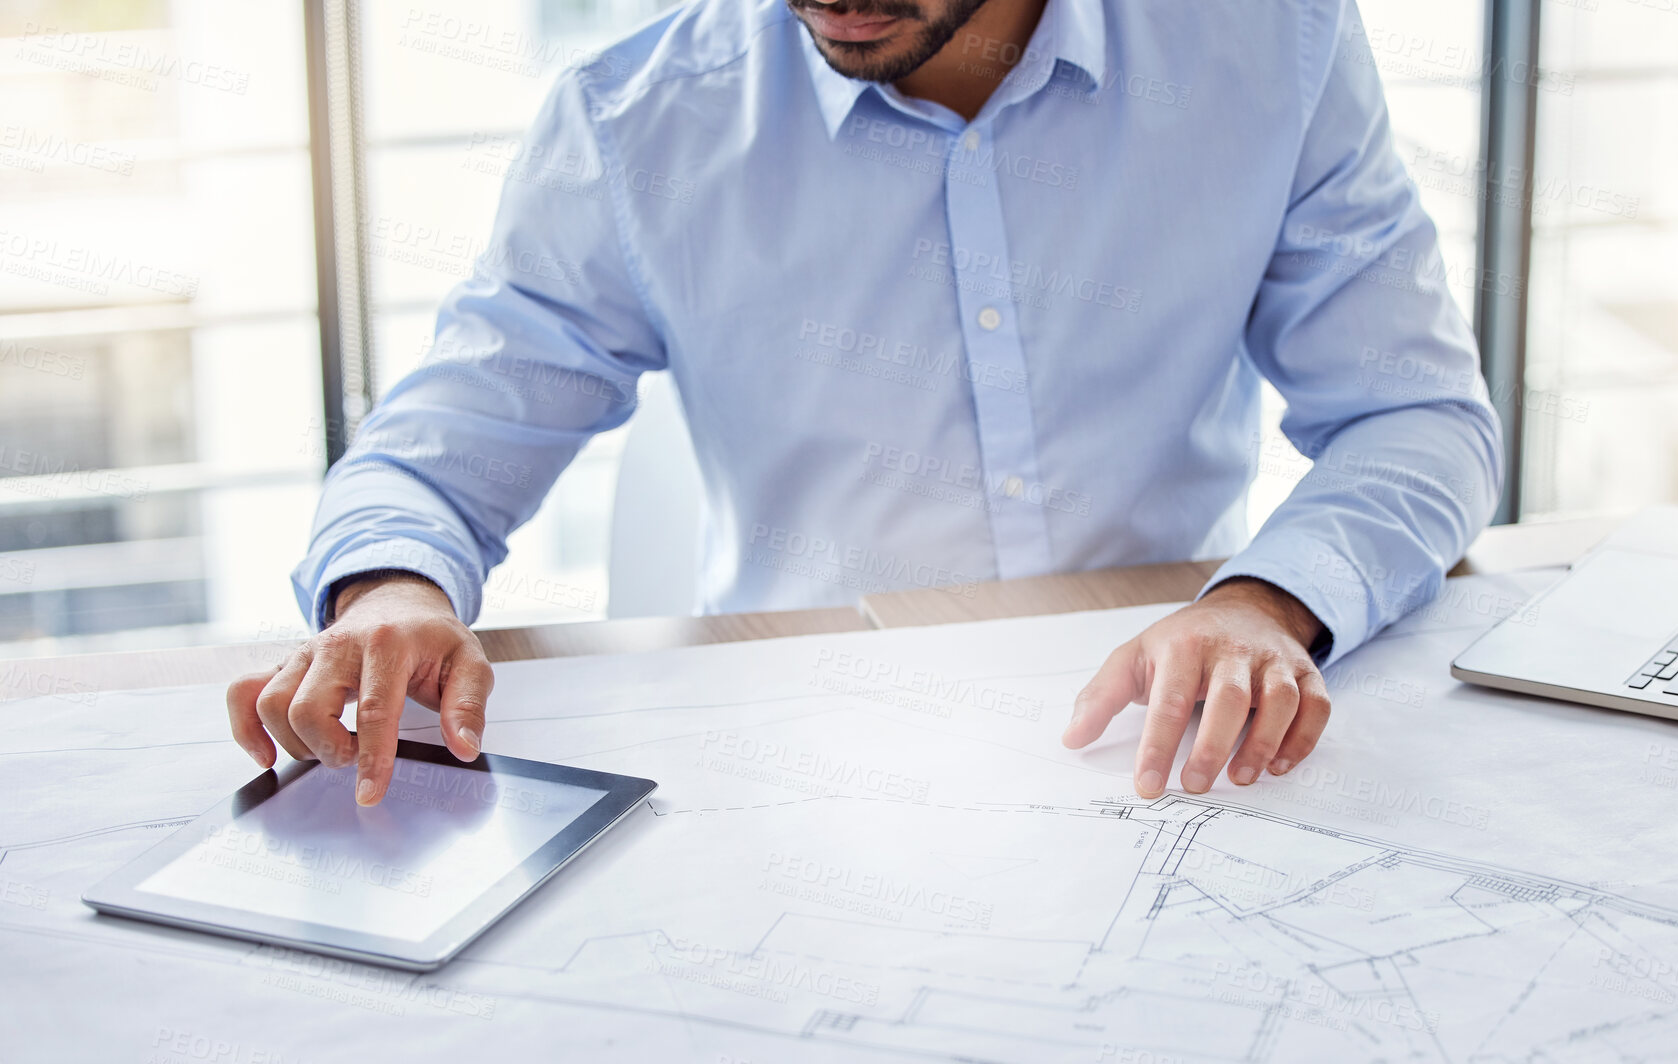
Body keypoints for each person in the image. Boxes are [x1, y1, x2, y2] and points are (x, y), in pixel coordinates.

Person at [225, 0, 1502, 808]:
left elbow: (1417, 417)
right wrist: (390, 588)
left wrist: (1263, 604)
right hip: (803, 775)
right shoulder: (636, 125)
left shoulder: (1272, 40)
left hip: (1169, 754)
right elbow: (434, 462)